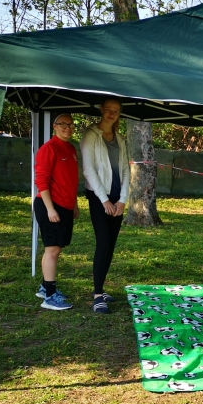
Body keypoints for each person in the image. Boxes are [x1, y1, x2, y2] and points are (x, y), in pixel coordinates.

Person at [80, 97, 130, 314]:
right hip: (99, 197)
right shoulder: (91, 134)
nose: (112, 113)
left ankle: (100, 287)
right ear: (101, 109)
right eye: (108, 109)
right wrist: (104, 200)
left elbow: (126, 170)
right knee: (103, 243)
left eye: (116, 111)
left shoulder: (120, 138)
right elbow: (88, 169)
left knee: (110, 244)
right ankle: (98, 295)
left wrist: (122, 200)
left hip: (117, 199)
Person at [34, 113, 79, 311]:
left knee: (54, 249)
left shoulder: (70, 148)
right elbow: (41, 181)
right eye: (63, 124)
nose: (67, 128)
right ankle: (50, 297)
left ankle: (45, 288)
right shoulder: (48, 149)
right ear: (54, 126)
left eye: (71, 125)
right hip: (50, 205)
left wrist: (74, 204)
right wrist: (50, 208)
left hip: (65, 206)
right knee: (52, 250)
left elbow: (70, 179)